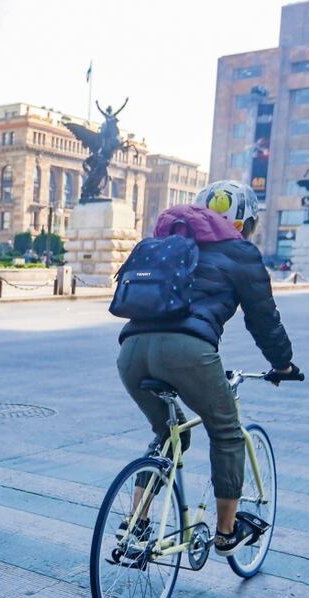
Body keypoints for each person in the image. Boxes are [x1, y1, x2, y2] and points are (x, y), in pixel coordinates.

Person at [116, 180, 300, 557]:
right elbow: (263, 319)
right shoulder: (240, 252)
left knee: (169, 433)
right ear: (243, 223)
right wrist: (282, 363)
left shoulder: (169, 243)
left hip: (131, 350)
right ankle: (227, 533)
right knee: (227, 431)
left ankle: (136, 525)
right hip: (188, 352)